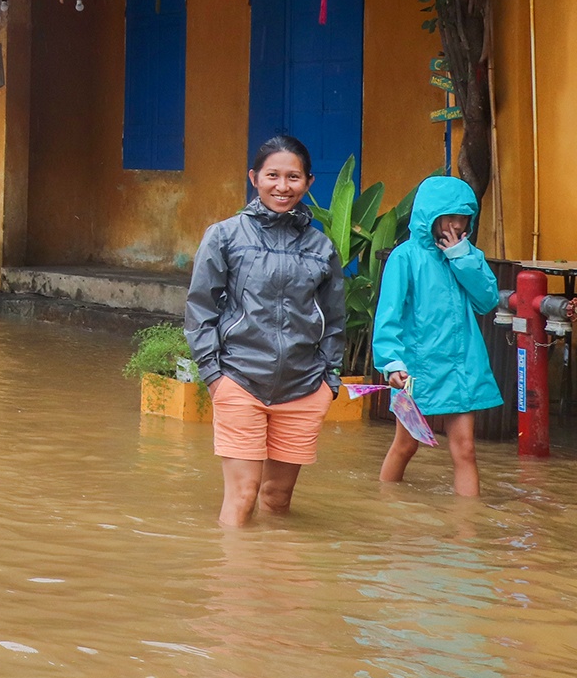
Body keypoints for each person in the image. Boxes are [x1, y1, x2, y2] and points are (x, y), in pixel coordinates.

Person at [185, 135, 345, 527]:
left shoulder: (321, 247)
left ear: (308, 182)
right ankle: (234, 583)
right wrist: (213, 376)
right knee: (242, 496)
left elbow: (333, 319)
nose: (282, 186)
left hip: (304, 387)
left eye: (293, 177)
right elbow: (200, 309)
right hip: (239, 379)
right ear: (254, 178)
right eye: (273, 175)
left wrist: (330, 380)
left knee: (277, 498)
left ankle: (275, 580)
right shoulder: (224, 236)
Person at [373, 176, 504, 496]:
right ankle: (384, 510)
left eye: (463, 218)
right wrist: (391, 363)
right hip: (417, 372)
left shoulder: (469, 254)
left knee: (466, 450)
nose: (457, 225)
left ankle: (466, 536)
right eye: (450, 217)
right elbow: (387, 315)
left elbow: (487, 301)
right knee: (405, 447)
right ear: (430, 215)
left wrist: (461, 257)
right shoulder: (404, 257)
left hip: (461, 368)